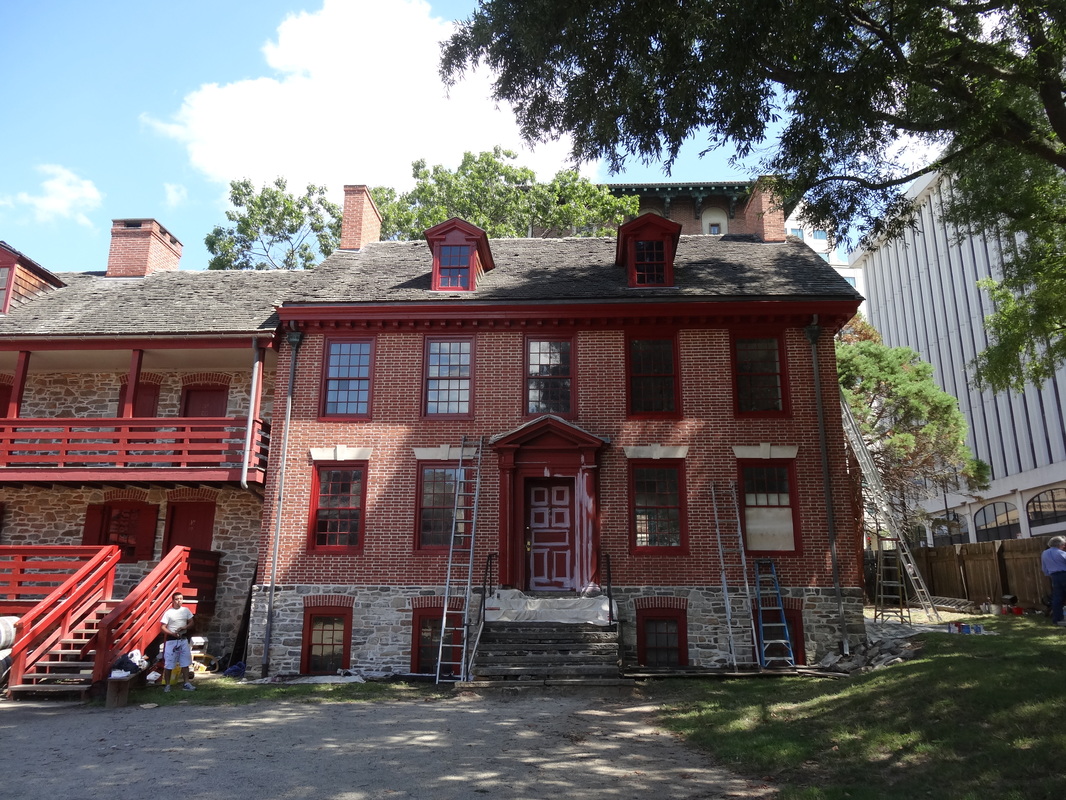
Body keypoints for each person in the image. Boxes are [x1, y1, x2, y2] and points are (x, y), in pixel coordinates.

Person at [160, 591, 196, 691]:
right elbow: (162, 627)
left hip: (183, 639)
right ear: (173, 601)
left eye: (180, 599)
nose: (179, 601)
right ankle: (167, 685)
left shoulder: (186, 610)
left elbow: (192, 622)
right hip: (172, 641)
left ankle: (186, 683)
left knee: (185, 662)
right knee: (169, 663)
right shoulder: (169, 613)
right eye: (176, 599)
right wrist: (172, 633)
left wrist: (185, 627)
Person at [1041, 536, 1066, 626]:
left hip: (1054, 576)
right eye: (1063, 544)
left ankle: (1057, 619)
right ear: (1059, 544)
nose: (1063, 546)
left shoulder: (1044, 553)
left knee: (1057, 598)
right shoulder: (1061, 553)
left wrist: (1049, 574)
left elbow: (1044, 568)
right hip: (1064, 574)